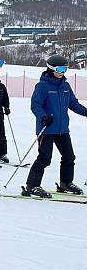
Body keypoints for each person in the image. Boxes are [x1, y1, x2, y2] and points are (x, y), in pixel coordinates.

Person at [24, 54, 87, 197]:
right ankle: (32, 186)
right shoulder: (42, 86)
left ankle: (66, 183)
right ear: (51, 68)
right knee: (45, 158)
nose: (62, 72)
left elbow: (73, 103)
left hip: (62, 129)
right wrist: (43, 117)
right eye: (59, 69)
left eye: (65, 69)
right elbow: (35, 105)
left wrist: (85, 112)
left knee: (69, 156)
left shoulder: (65, 86)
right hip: (47, 129)